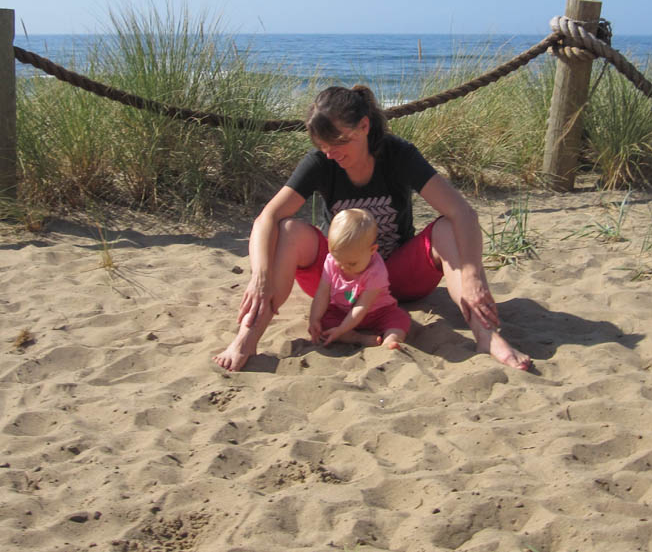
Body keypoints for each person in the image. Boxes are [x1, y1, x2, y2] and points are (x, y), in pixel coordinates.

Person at [213, 84, 530, 372]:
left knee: (447, 228)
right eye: (323, 146)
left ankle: (486, 336)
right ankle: (246, 340)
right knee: (288, 231)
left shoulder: (399, 155)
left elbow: (463, 213)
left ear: (364, 127)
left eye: (338, 143)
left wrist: (473, 274)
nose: (330, 154)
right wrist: (260, 276)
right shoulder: (321, 162)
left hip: (395, 278)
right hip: (339, 280)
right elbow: (266, 218)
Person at [309, 208, 410, 350]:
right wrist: (314, 318)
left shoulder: (376, 270)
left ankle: (390, 340)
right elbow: (322, 293)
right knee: (326, 323)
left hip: (377, 312)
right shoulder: (331, 261)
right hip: (342, 311)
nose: (343, 267)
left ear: (372, 250)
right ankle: (358, 338)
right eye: (339, 260)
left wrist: (342, 329)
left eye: (352, 263)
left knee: (400, 319)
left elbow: (362, 306)